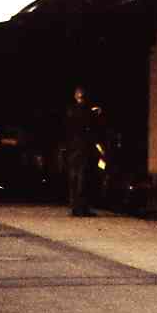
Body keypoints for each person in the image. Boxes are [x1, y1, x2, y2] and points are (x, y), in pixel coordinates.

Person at [64, 86, 103, 217]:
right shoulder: (86, 110)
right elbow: (89, 124)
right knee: (83, 177)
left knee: (73, 177)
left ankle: (75, 207)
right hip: (83, 147)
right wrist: (95, 113)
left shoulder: (70, 110)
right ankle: (82, 207)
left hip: (72, 147)